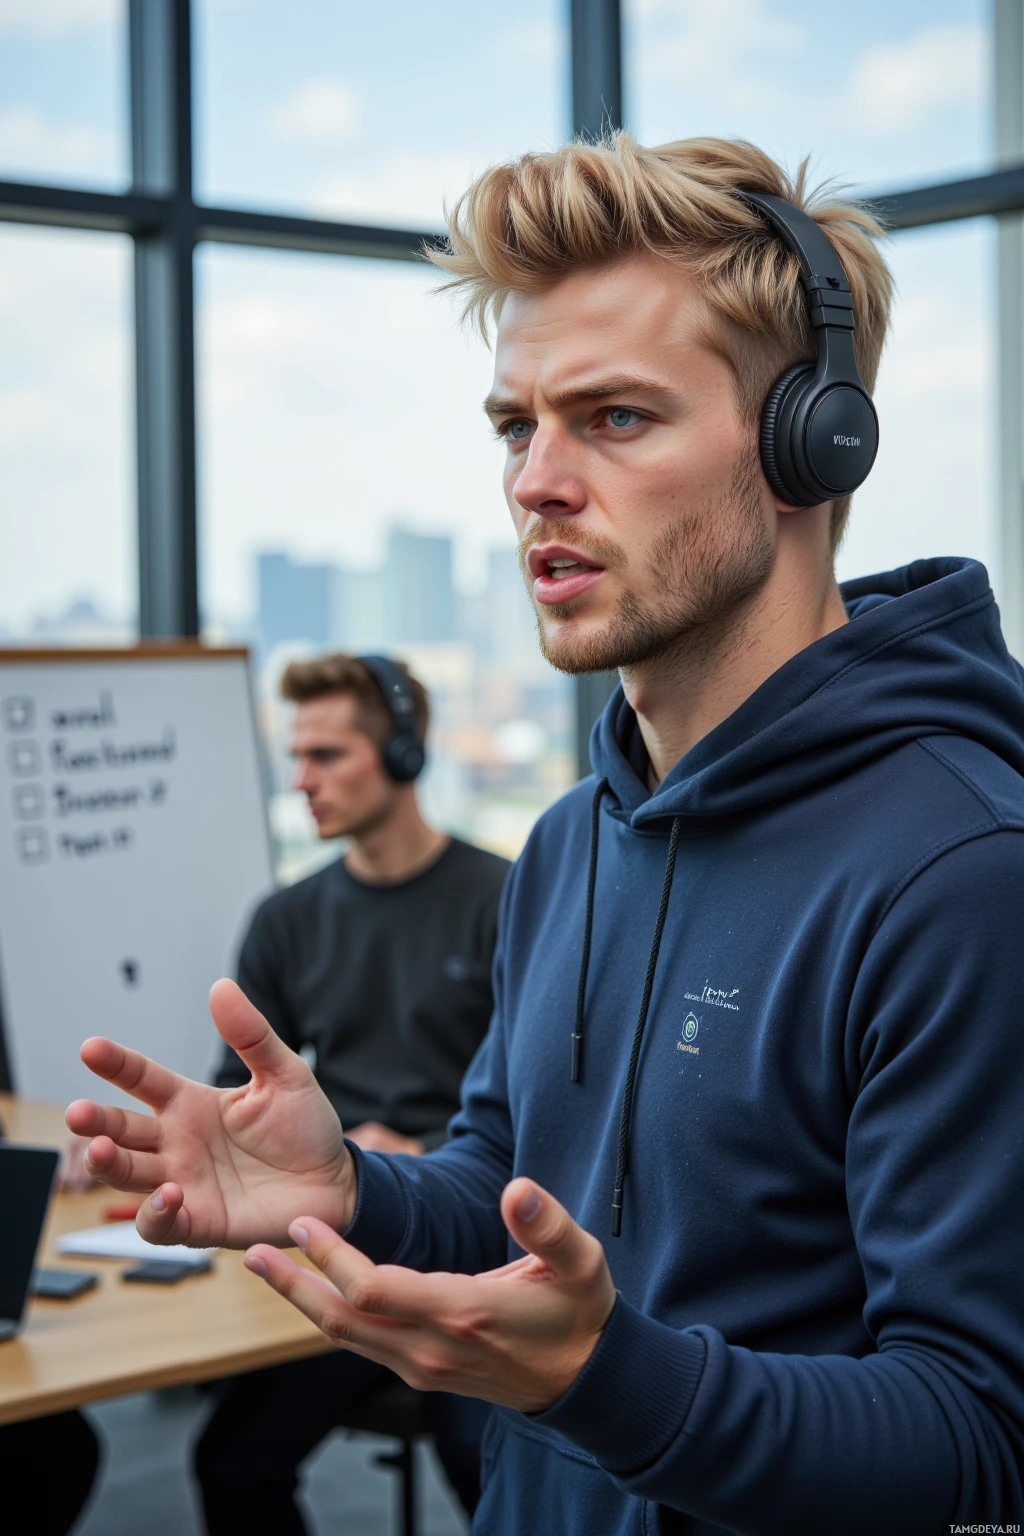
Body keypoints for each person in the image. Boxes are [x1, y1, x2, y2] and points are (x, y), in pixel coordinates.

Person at [68, 134, 1024, 1535]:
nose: (535, 483)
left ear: (811, 445)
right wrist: (357, 1190)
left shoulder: (965, 873)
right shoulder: (573, 841)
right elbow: (504, 1188)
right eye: (518, 427)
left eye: (615, 417)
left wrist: (606, 1382)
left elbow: (984, 1450)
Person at [194, 653, 508, 1533]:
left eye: (327, 755)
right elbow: (233, 1097)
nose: (302, 780)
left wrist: (423, 1155)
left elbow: (558, 1101)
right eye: (296, 756)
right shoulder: (287, 919)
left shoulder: (506, 899)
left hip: (473, 1245)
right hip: (341, 1243)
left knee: (496, 1470)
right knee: (230, 1464)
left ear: (404, 756)